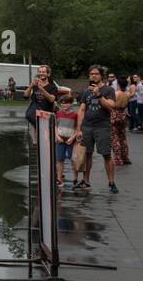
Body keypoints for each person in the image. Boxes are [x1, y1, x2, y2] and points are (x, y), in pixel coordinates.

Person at [75, 65, 128, 194]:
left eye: (96, 74)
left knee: (106, 155)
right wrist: (78, 129)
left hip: (102, 127)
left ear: (101, 76)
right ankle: (85, 181)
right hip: (87, 127)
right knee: (87, 154)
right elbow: (82, 109)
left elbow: (111, 107)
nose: (93, 76)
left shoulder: (108, 90)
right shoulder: (86, 91)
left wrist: (99, 95)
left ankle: (111, 183)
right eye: (91, 74)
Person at [54, 92, 80, 191]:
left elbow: (77, 128)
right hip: (60, 139)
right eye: (63, 103)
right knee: (60, 160)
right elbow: (55, 126)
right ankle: (59, 179)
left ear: (71, 103)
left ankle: (75, 179)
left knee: (73, 160)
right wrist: (57, 136)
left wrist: (72, 138)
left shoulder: (75, 115)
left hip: (70, 140)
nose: (65, 105)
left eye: (67, 103)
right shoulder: (58, 113)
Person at [111, 76, 131, 166]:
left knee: (115, 137)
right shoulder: (127, 94)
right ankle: (125, 157)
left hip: (115, 114)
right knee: (122, 137)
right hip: (123, 115)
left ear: (118, 84)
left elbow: (112, 105)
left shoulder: (116, 93)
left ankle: (118, 158)